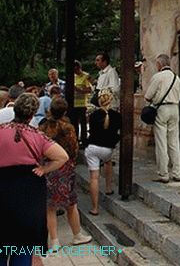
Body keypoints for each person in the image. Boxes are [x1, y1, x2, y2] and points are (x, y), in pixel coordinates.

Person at [0, 93, 69, 265]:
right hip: (29, 191)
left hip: (3, 188)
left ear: (14, 109)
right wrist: (44, 169)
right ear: (32, 115)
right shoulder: (38, 136)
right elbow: (62, 156)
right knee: (24, 248)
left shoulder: (0, 130)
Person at [39, 97, 92, 249]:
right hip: (65, 167)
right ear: (65, 111)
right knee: (71, 203)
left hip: (48, 166)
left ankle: (54, 240)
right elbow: (74, 148)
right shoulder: (68, 127)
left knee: (50, 206)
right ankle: (77, 235)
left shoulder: (43, 126)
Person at [144, 54, 180, 183]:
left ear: (159, 64)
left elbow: (148, 96)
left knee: (161, 142)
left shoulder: (158, 77)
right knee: (174, 141)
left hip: (162, 109)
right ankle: (177, 172)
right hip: (175, 108)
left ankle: (163, 174)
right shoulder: (176, 78)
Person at [85, 89, 121, 215]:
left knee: (94, 177)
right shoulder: (116, 116)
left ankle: (95, 208)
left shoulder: (93, 115)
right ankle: (108, 187)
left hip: (93, 147)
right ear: (111, 100)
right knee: (108, 161)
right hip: (107, 149)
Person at [72, 60, 92, 146]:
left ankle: (84, 141)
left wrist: (78, 90)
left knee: (83, 123)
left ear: (79, 68)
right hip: (73, 103)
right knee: (74, 123)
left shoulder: (86, 76)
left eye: (76, 70)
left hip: (82, 104)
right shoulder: (72, 76)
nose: (76, 72)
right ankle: (76, 140)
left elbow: (90, 89)